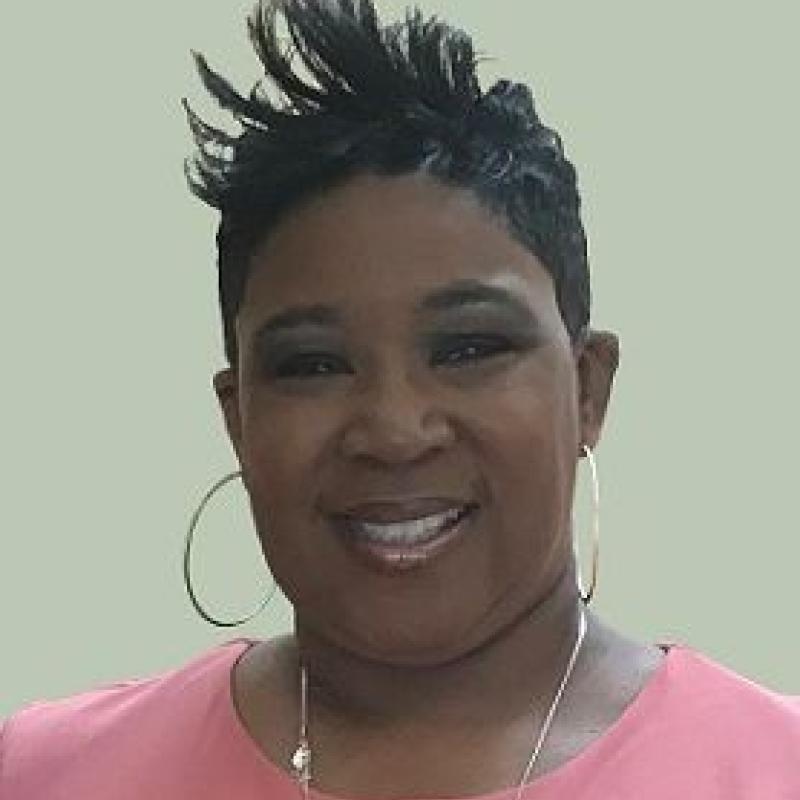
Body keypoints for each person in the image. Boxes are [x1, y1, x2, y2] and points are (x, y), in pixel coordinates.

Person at [2, 1, 798, 797]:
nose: (393, 429)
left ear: (588, 388)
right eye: (313, 365)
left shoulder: (773, 766)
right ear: (238, 418)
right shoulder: (47, 773)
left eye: (468, 348)